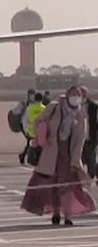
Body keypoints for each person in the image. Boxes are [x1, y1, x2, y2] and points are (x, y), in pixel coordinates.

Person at [20, 86, 96, 226]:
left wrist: (75, 160)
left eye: (78, 95)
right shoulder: (54, 107)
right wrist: (43, 136)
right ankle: (56, 213)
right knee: (52, 186)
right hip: (51, 153)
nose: (75, 97)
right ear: (67, 95)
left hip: (68, 156)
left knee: (67, 187)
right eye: (73, 94)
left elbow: (80, 139)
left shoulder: (81, 114)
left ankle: (67, 216)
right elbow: (38, 121)